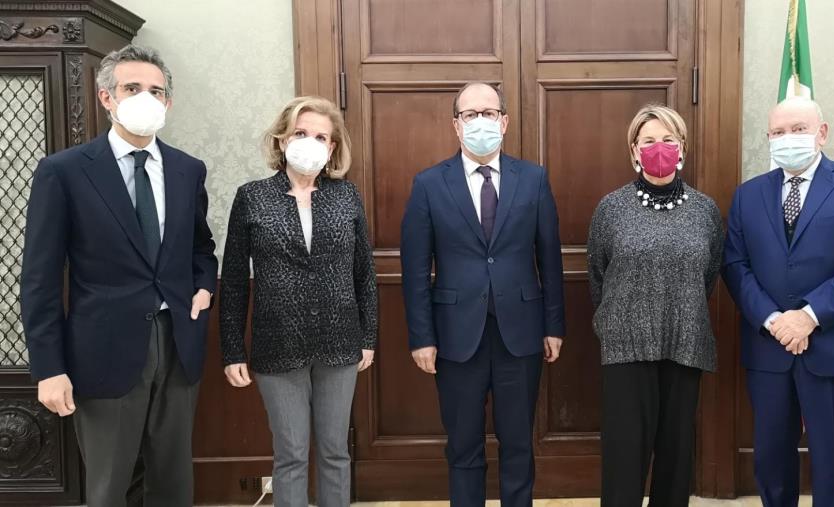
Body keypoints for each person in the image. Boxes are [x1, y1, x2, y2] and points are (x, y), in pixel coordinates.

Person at [20, 44, 218, 506]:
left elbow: (200, 247)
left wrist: (204, 285)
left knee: (172, 485)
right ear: (106, 98)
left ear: (168, 103)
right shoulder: (63, 172)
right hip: (101, 352)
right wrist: (48, 368)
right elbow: (40, 278)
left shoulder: (188, 170)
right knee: (109, 487)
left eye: (156, 90)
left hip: (178, 347)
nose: (146, 98)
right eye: (133, 88)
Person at [400, 82, 565, 506]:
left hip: (521, 334)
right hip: (456, 337)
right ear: (456, 126)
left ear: (504, 122)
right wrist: (422, 337)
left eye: (488, 113)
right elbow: (416, 269)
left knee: (518, 444)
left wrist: (554, 326)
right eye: (469, 114)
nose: (479, 122)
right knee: (463, 446)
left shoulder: (533, 179)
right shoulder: (429, 184)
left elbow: (550, 258)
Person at [723, 97, 834, 507]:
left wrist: (809, 317)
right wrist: (773, 319)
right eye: (778, 133)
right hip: (770, 348)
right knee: (771, 462)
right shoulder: (748, 196)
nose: (787, 139)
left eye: (798, 129)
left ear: (822, 132)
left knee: (833, 466)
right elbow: (735, 265)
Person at [220, 95, 377, 507]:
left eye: (321, 136)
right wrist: (232, 349)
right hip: (277, 346)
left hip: (340, 343)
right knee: (290, 455)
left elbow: (364, 272)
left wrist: (369, 336)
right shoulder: (252, 197)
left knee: (334, 452)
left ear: (333, 148)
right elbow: (235, 280)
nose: (310, 142)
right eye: (301, 133)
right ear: (282, 139)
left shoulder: (347, 196)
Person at [586, 104, 723, 507]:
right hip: (626, 348)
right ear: (633, 150)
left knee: (676, 459)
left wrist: (677, 309)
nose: (658, 148)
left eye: (668, 140)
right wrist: (622, 319)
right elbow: (597, 274)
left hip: (685, 344)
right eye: (648, 141)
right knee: (624, 459)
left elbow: (709, 274)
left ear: (682, 148)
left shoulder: (705, 210)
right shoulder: (611, 208)